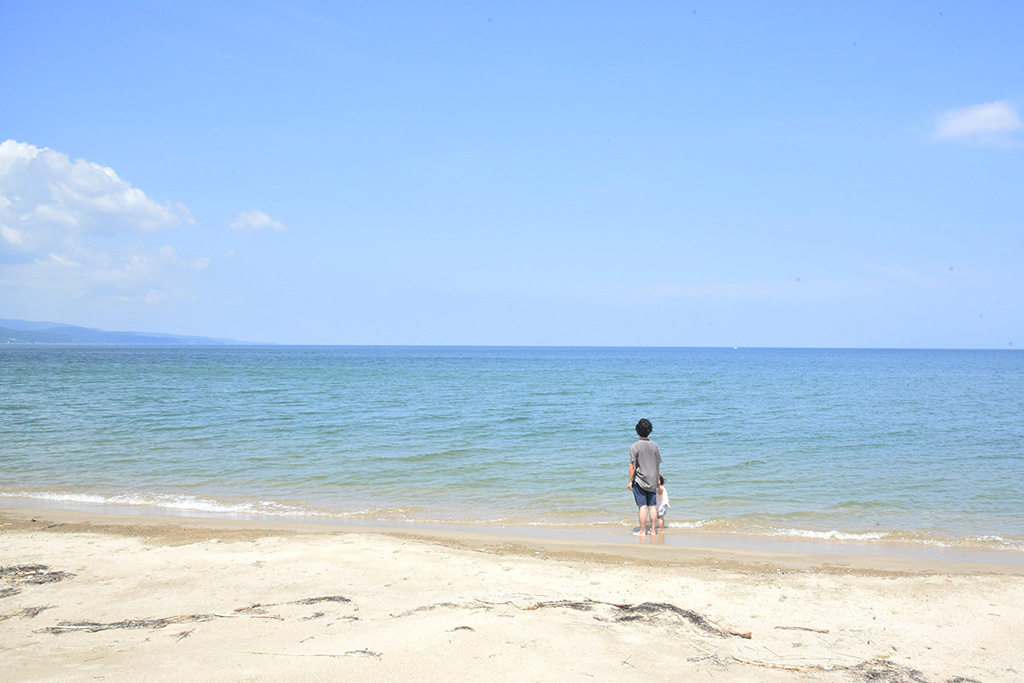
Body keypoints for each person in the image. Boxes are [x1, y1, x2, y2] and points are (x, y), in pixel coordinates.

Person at [628, 418, 661, 536]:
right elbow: (657, 465)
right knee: (652, 507)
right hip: (652, 480)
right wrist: (657, 480)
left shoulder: (634, 447)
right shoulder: (655, 446)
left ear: (638, 431)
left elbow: (632, 465)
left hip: (640, 480)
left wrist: (629, 481)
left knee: (642, 507)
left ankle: (642, 531)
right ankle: (653, 530)